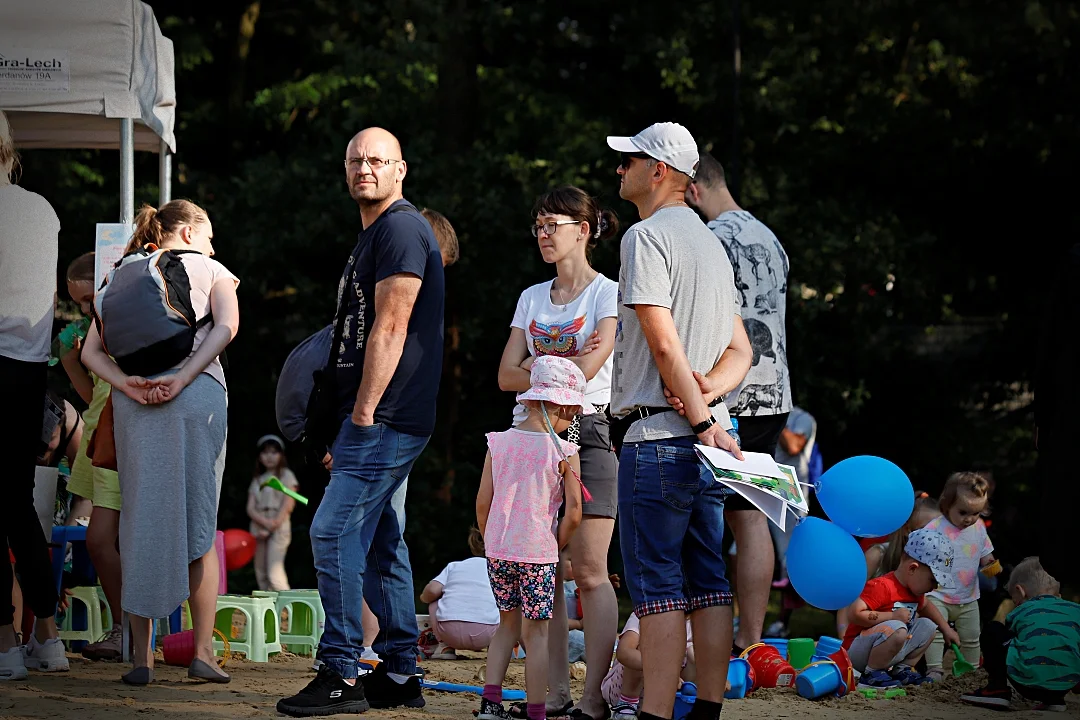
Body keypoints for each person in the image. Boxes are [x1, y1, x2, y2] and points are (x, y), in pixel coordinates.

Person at [278, 127, 444, 717]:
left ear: (401, 169)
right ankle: (400, 675)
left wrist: (365, 414)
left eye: (377, 160)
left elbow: (391, 326)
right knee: (380, 543)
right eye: (355, 160)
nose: (364, 168)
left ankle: (341, 671)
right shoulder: (375, 232)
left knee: (331, 531)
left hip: (385, 416)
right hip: (382, 416)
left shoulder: (399, 229)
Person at [606, 121, 751, 720]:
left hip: (662, 437)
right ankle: (708, 710)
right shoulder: (714, 243)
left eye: (629, 160)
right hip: (709, 441)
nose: (620, 169)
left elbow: (663, 345)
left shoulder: (645, 238)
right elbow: (742, 351)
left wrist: (692, 413)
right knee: (710, 582)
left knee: (659, 592)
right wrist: (708, 400)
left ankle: (656, 714)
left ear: (658, 171)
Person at [81, 199, 239, 685]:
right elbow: (228, 328)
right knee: (199, 520)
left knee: (142, 520)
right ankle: (203, 652)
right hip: (194, 397)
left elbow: (89, 351)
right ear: (188, 233)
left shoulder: (118, 276)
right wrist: (187, 376)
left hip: (136, 405)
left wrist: (128, 386)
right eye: (209, 235)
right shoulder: (210, 267)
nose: (213, 245)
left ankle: (141, 658)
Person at [496, 185, 620, 720]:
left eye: (553, 225)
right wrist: (561, 368)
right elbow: (504, 374)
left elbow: (587, 378)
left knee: (590, 570)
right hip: (529, 438)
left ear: (583, 230)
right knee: (537, 571)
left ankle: (594, 696)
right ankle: (551, 695)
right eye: (539, 226)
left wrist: (538, 370)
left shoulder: (608, 294)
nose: (543, 235)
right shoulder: (530, 296)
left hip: (588, 431)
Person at [685, 151, 791, 656]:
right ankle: (752, 635)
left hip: (728, 393)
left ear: (694, 190)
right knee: (751, 517)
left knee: (707, 515)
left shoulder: (711, 240)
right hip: (776, 393)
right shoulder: (771, 238)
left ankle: (708, 635)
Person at [474, 355, 585, 720]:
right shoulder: (565, 451)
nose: (573, 420)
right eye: (571, 412)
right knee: (535, 636)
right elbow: (574, 513)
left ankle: (490, 706)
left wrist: (492, 542)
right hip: (538, 553)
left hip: (500, 551)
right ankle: (537, 710)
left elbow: (483, 503)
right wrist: (556, 544)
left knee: (506, 627)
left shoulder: (498, 443)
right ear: (556, 405)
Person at [0, 110, 67, 681]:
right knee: (16, 503)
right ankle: (46, 634)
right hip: (27, 368)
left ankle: (5, 642)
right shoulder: (41, 210)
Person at [58, 251, 126, 661]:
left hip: (122, 442)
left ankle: (132, 631)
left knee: (117, 540)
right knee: (99, 542)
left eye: (88, 299)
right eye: (78, 303)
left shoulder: (127, 327)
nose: (84, 309)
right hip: (98, 440)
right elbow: (92, 397)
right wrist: (72, 359)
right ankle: (122, 628)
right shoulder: (95, 334)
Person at [842, 528, 961, 689]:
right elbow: (854, 613)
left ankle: (902, 670)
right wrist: (891, 617)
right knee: (897, 628)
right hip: (857, 653)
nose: (934, 587)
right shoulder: (882, 586)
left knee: (928, 626)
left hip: (887, 648)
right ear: (913, 568)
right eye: (932, 580)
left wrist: (946, 629)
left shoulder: (914, 591)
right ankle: (871, 675)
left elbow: (927, 607)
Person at [961, 557, 1080, 712]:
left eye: (1014, 600)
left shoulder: (1022, 609)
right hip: (1068, 681)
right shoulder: (1075, 611)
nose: (1015, 604)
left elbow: (1012, 644)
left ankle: (997, 689)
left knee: (994, 630)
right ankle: (1055, 700)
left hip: (1026, 683)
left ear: (1021, 591)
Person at [922, 472, 998, 682]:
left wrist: (991, 566)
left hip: (968, 595)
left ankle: (971, 671)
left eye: (976, 513)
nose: (970, 519)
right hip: (937, 593)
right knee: (935, 633)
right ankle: (935, 669)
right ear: (946, 506)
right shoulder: (935, 528)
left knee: (972, 636)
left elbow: (985, 553)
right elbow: (920, 556)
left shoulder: (979, 527)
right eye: (963, 512)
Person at [419, 527, 499, 659]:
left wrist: (423, 597)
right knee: (506, 602)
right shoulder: (499, 571)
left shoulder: (455, 566)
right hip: (486, 634)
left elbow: (432, 590)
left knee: (434, 601)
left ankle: (445, 648)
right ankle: (496, 649)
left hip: (449, 632)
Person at [246, 435, 299, 591]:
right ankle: (270, 613)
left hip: (279, 526)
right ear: (259, 456)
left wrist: (272, 525)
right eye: (265, 452)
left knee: (274, 574)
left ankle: (290, 610)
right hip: (258, 527)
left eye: (274, 452)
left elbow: (288, 504)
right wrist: (264, 524)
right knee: (261, 574)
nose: (269, 456)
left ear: (281, 455)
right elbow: (250, 508)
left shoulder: (286, 475)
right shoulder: (257, 479)